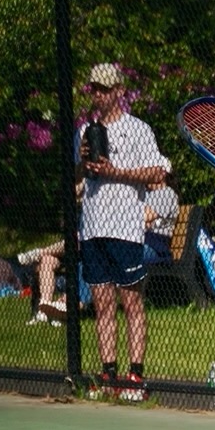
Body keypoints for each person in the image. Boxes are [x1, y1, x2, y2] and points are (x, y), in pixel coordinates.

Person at [72, 63, 171, 391]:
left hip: (125, 227)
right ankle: (108, 373)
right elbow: (77, 180)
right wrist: (82, 163)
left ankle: (136, 374)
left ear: (119, 92)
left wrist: (117, 172)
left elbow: (157, 173)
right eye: (95, 89)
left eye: (104, 89)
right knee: (102, 303)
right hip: (93, 227)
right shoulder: (85, 131)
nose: (98, 95)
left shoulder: (137, 129)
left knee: (131, 302)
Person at [29, 179, 178, 325]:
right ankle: (66, 302)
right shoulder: (142, 193)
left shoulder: (166, 193)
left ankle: (74, 303)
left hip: (152, 247)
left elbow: (142, 217)